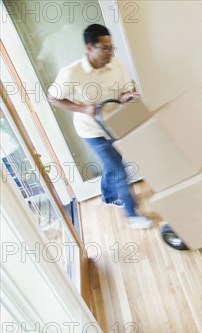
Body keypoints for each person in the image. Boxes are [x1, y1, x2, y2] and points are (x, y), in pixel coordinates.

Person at [48, 24, 152, 229]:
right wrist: (82, 108)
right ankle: (132, 215)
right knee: (119, 169)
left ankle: (109, 195)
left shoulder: (116, 65)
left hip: (115, 125)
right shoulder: (71, 73)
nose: (109, 53)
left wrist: (127, 96)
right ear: (90, 48)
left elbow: (124, 89)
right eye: (104, 48)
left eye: (111, 47)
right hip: (92, 132)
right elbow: (53, 98)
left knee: (113, 164)